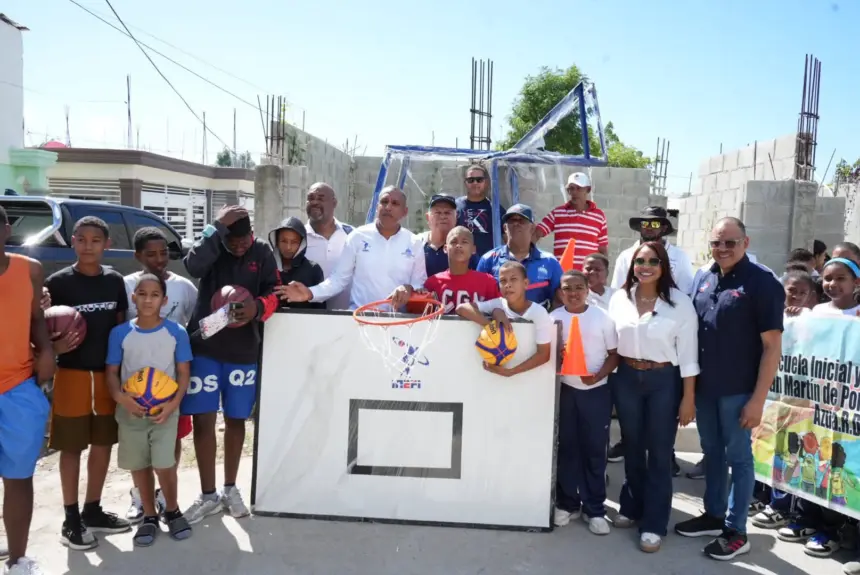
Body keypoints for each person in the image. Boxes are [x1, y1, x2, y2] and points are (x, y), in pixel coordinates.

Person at [674, 217, 784, 561]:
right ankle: (714, 515)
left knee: (739, 458)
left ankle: (737, 531)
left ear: (746, 243)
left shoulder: (763, 283)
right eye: (716, 243)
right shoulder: (704, 279)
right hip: (705, 388)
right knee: (713, 453)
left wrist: (757, 401)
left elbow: (772, 347)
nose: (722, 249)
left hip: (739, 391)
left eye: (730, 243)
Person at [180, 205, 280, 524]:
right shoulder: (213, 246)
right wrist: (215, 227)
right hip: (206, 344)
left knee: (237, 420)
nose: (238, 246)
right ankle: (208, 495)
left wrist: (258, 308)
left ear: (252, 234)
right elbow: (192, 265)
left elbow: (274, 292)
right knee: (204, 419)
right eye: (232, 240)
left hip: (243, 351)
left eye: (243, 240)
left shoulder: (262, 251)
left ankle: (230, 488)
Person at [45, 216, 132, 550]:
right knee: (70, 447)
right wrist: (54, 348)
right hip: (71, 375)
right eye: (81, 239)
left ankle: (92, 509)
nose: (88, 246)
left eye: (96, 240)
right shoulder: (58, 283)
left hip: (106, 374)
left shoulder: (114, 281)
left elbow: (121, 326)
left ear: (106, 244)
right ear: (73, 242)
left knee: (102, 443)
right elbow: (42, 330)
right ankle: (70, 519)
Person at [607, 241, 699, 553]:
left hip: (664, 381)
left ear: (664, 267)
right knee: (632, 447)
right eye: (640, 260)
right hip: (627, 378)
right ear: (632, 265)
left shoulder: (680, 303)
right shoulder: (619, 298)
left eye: (653, 261)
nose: (645, 266)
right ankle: (631, 507)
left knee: (659, 453)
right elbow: (610, 341)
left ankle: (654, 522)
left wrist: (688, 398)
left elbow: (688, 357)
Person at [106, 273, 193, 546]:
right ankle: (149, 516)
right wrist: (121, 398)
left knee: (164, 464)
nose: (148, 300)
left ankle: (173, 509)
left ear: (164, 300)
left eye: (155, 295)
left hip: (164, 412)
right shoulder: (120, 333)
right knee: (139, 464)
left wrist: (172, 405)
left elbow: (183, 374)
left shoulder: (176, 333)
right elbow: (111, 372)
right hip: (130, 411)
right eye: (142, 294)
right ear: (134, 297)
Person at [124, 227, 198, 524]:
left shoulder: (184, 288)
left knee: (173, 437)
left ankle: (166, 495)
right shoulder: (126, 285)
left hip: (171, 383)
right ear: (138, 256)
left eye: (164, 253)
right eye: (151, 254)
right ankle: (140, 496)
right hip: (135, 383)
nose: (159, 259)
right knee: (137, 444)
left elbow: (193, 325)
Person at [0, 205, 54, 574]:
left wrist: (47, 351)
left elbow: (36, 318)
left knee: (18, 477)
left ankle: (18, 558)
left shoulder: (29, 269)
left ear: (6, 228)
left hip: (18, 386)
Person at [550, 270, 618, 535]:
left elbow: (614, 355)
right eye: (567, 288)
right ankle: (568, 503)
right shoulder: (553, 318)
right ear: (560, 292)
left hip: (596, 393)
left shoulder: (602, 318)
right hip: (565, 392)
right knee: (567, 448)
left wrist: (598, 376)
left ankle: (595, 508)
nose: (573, 293)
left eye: (579, 287)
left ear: (588, 289)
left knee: (594, 450)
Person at [283, 186, 426, 311]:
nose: (388, 207)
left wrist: (409, 289)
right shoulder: (357, 236)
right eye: (384, 201)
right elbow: (338, 279)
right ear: (377, 207)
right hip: (360, 320)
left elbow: (419, 285)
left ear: (405, 211)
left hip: (400, 323)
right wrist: (309, 293)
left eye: (395, 203)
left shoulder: (414, 242)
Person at [455, 261, 552, 377]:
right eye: (503, 281)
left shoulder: (539, 313)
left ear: (525, 283)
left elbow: (544, 354)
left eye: (513, 279)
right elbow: (462, 308)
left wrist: (511, 372)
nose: (508, 285)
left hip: (530, 379)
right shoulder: (499, 304)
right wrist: (490, 325)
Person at [477, 204, 562, 310]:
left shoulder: (550, 261)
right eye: (511, 221)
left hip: (536, 323)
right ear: (505, 228)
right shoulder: (488, 259)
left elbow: (559, 299)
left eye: (522, 220)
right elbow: (478, 298)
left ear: (532, 228)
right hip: (500, 323)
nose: (516, 224)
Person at [611, 206, 693, 294]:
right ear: (640, 227)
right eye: (645, 224)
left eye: (655, 224)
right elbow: (617, 291)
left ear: (664, 228)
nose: (649, 228)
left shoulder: (680, 257)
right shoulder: (625, 256)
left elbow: (685, 292)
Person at [536, 172, 609, 269]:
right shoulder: (558, 213)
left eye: (578, 188)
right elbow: (537, 233)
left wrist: (602, 272)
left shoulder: (599, 216)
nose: (574, 192)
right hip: (562, 275)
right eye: (571, 189)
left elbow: (602, 249)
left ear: (588, 189)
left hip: (587, 277)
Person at [423, 226, 499, 314]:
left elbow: (499, 309)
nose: (458, 246)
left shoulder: (488, 282)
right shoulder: (432, 283)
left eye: (464, 242)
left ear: (473, 249)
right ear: (445, 248)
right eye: (454, 242)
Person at [304, 182, 354, 311]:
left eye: (321, 198)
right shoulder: (297, 238)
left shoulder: (352, 236)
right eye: (310, 198)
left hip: (348, 317)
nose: (314, 202)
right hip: (307, 316)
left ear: (334, 203)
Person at [269, 217, 325, 309]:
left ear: (302, 243)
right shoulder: (266, 267)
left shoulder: (313, 270)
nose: (288, 247)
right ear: (276, 241)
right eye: (283, 241)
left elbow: (320, 309)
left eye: (294, 242)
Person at [455, 164, 505, 258]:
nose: (475, 183)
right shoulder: (455, 206)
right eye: (470, 180)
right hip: (460, 264)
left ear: (486, 183)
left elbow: (509, 238)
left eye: (479, 180)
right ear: (465, 183)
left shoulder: (496, 209)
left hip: (487, 265)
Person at [423, 194, 477, 276]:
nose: (443, 216)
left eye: (447, 212)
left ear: (456, 216)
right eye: (437, 212)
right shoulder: (417, 245)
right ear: (428, 217)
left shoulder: (465, 249)